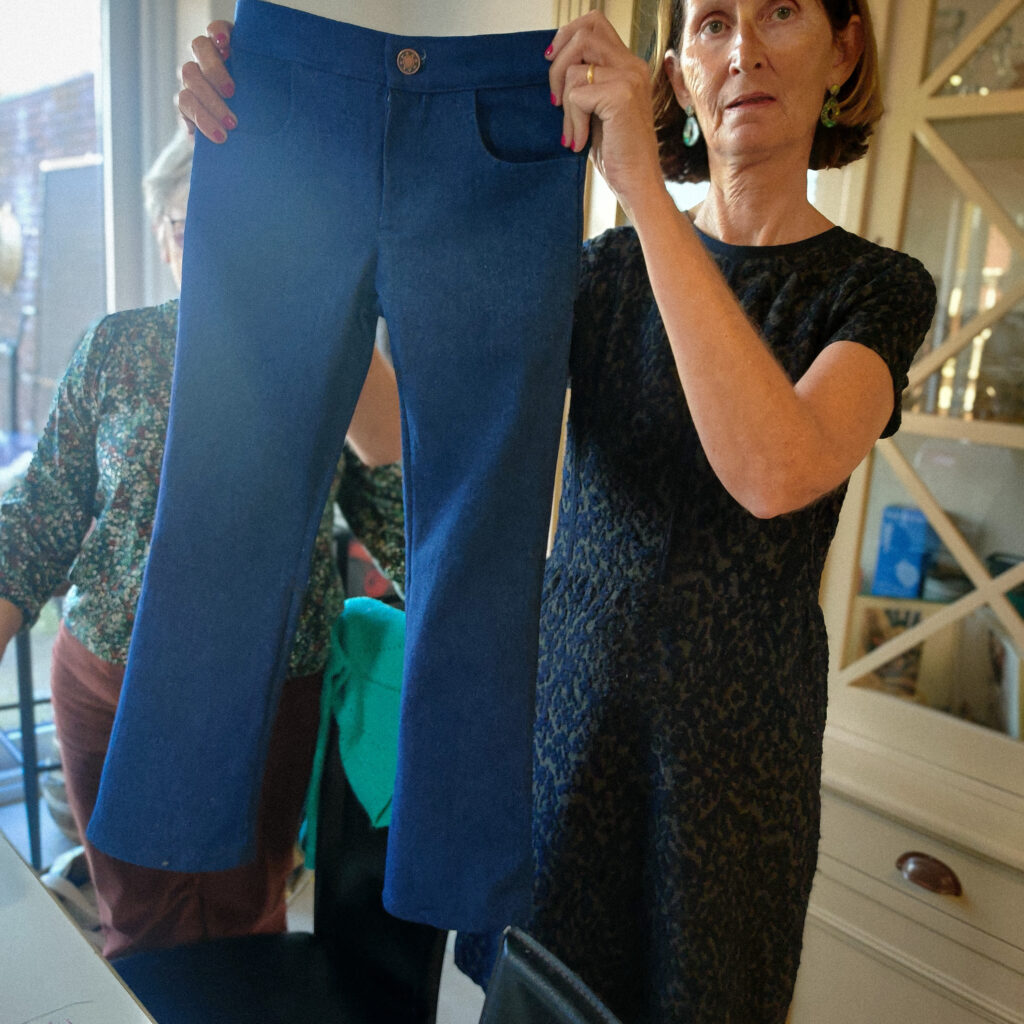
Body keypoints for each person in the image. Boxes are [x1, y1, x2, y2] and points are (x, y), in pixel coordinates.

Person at [179, 1, 937, 1020]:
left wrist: (642, 190)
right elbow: (401, 430)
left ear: (844, 48)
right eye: (713, 24)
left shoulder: (875, 288)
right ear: (680, 71)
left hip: (732, 772)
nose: (744, 51)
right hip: (562, 730)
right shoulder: (601, 275)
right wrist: (286, 213)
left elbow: (775, 469)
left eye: (782, 12)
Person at [0, 129, 404, 960]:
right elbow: (39, 515)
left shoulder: (325, 356)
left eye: (232, 223)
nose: (208, 245)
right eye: (187, 226)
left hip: (270, 692)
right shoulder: (116, 348)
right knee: (138, 926)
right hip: (110, 686)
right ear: (163, 238)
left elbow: (404, 510)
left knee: (247, 914)